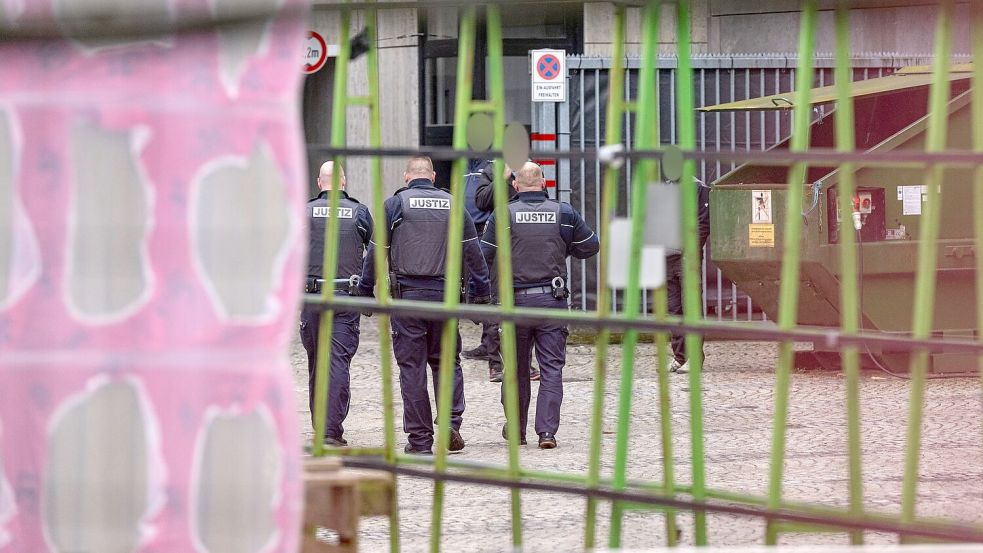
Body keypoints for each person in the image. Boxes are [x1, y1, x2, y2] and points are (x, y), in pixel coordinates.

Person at [355, 156, 492, 455]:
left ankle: (419, 440)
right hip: (444, 299)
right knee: (447, 363)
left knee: (412, 368)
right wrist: (482, 297)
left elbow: (377, 253)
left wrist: (365, 292)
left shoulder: (395, 206)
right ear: (431, 176)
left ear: (407, 177)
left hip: (407, 300)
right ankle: (450, 425)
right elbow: (474, 253)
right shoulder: (453, 204)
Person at [480, 162, 599, 449]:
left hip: (514, 304)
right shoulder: (564, 213)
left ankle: (518, 432)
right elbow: (591, 245)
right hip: (551, 301)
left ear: (516, 186)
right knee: (551, 369)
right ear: (544, 183)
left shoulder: (503, 214)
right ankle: (546, 433)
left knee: (516, 370)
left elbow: (485, 255)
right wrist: (564, 246)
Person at [300, 161, 373, 446]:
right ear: (343, 182)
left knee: (317, 362)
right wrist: (366, 290)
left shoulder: (303, 213)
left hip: (312, 296)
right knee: (337, 362)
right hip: (345, 297)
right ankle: (331, 431)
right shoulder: (359, 212)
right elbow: (376, 250)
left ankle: (322, 427)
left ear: (320, 183)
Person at [467, 162, 541, 383]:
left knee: (524, 305)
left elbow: (538, 197)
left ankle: (523, 364)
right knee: (497, 304)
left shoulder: (530, 167)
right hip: (496, 241)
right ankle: (496, 365)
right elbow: (481, 202)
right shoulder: (491, 170)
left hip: (525, 244)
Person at [667, 177, 711, 374]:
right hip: (666, 258)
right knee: (673, 309)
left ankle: (695, 357)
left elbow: (704, 222)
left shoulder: (698, 188)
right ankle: (679, 356)